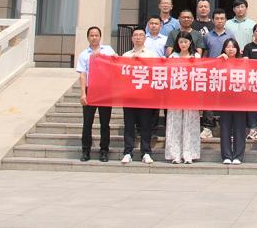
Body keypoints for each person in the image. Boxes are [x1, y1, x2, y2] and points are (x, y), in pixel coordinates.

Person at [75, 26, 116, 162]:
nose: (94, 37)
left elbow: (116, 62)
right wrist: (83, 94)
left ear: (100, 37)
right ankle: (86, 150)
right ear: (88, 37)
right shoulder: (83, 54)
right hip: (90, 89)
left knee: (105, 123)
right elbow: (82, 75)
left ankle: (104, 151)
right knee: (87, 123)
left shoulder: (108, 50)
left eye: (96, 35)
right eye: (91, 35)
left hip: (105, 90)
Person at [121, 27, 159, 164]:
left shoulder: (151, 55)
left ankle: (146, 152)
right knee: (129, 125)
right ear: (131, 38)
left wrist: (142, 61)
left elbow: (156, 72)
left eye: (141, 35)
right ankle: (128, 152)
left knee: (146, 125)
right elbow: (121, 75)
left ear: (145, 38)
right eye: (135, 35)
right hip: (129, 96)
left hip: (146, 96)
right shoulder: (125, 56)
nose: (138, 37)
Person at [165, 33, 202, 164]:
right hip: (175, 93)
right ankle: (175, 154)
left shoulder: (196, 56)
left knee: (190, 123)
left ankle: (189, 154)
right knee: (174, 123)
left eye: (186, 42)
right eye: (181, 42)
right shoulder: (172, 57)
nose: (183, 44)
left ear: (190, 42)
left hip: (191, 94)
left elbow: (201, 74)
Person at [216, 38, 246, 164]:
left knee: (239, 128)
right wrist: (218, 59)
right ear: (224, 49)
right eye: (228, 46)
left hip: (240, 100)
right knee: (225, 128)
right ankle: (226, 155)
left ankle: (238, 156)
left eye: (233, 46)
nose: (230, 49)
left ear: (237, 49)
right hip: (225, 100)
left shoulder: (243, 62)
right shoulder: (220, 61)